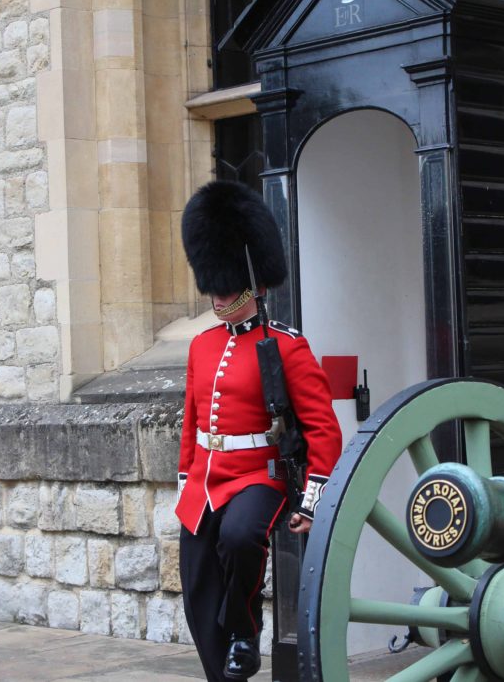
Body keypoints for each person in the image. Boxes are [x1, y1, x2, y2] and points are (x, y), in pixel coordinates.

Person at [175, 180, 343, 681]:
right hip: (207, 477)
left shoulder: (287, 347)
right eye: (216, 286)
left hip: (258, 475)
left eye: (228, 286)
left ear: (255, 285)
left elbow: (321, 426)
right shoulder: (202, 346)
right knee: (198, 585)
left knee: (241, 535)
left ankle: (246, 631)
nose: (219, 296)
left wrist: (313, 497)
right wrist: (185, 477)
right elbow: (192, 420)